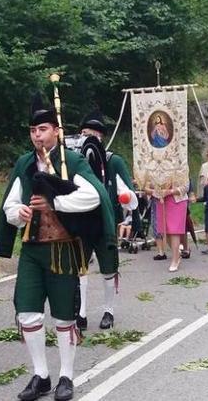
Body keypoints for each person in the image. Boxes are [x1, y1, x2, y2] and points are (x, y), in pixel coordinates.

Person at [0, 94, 116, 401]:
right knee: (28, 314)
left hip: (63, 249)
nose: (38, 135)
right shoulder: (24, 163)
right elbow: (10, 204)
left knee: (64, 316)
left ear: (56, 131)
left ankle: (66, 377)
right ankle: (41, 375)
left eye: (44, 129)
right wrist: (18, 214)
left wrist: (56, 202)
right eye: (34, 130)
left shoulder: (72, 162)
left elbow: (93, 196)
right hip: (32, 249)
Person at [75, 111, 138, 331]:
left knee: (108, 268)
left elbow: (130, 195)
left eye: (93, 134)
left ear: (101, 137)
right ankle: (80, 313)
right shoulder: (74, 161)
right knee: (80, 268)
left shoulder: (113, 161)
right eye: (84, 134)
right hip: (81, 222)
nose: (88, 138)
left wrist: (127, 198)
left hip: (105, 223)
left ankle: (108, 311)